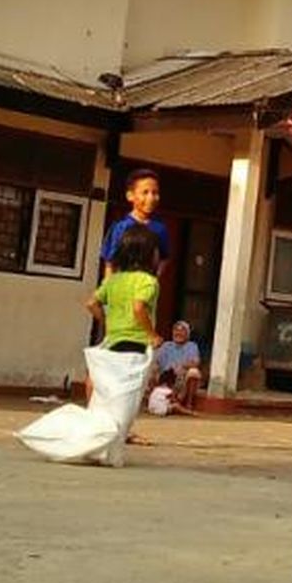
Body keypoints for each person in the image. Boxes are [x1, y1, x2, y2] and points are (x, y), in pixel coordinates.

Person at [86, 224, 163, 355]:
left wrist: (107, 321)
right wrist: (152, 335)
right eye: (156, 250)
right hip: (137, 343)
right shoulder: (148, 281)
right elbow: (138, 307)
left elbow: (91, 304)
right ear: (148, 254)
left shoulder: (113, 280)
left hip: (112, 341)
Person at [102, 168, 171, 278]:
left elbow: (164, 258)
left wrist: (154, 278)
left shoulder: (160, 229)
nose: (151, 198)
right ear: (130, 196)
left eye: (155, 193)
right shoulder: (120, 227)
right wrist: (109, 289)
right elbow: (110, 263)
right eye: (145, 192)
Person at [154, 320, 202, 414]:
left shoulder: (192, 346)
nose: (178, 333)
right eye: (176, 330)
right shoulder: (166, 345)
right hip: (166, 377)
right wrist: (155, 370)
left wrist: (183, 366)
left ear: (187, 334)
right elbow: (156, 362)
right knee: (149, 370)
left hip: (182, 378)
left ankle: (189, 404)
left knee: (194, 372)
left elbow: (196, 362)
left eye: (182, 330)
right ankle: (154, 401)